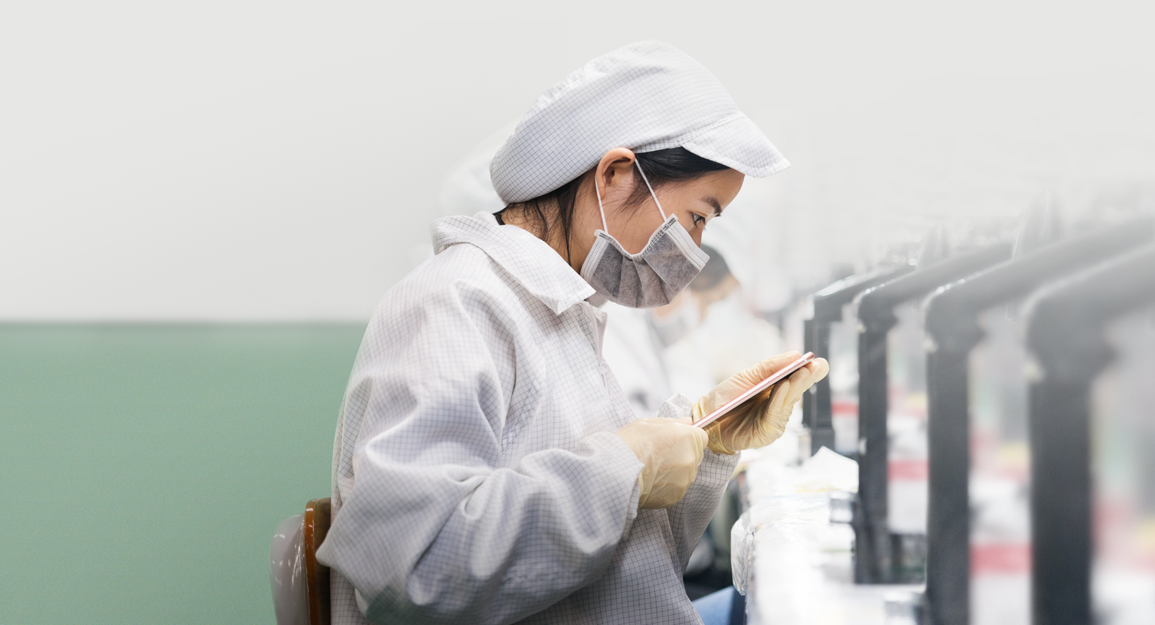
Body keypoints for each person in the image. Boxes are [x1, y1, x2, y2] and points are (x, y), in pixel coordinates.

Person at [316, 40, 829, 625]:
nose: (695, 251)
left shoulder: (560, 313)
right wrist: (625, 468)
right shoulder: (455, 304)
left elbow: (624, 564)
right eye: (697, 218)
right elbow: (415, 572)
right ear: (613, 174)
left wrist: (706, 439)